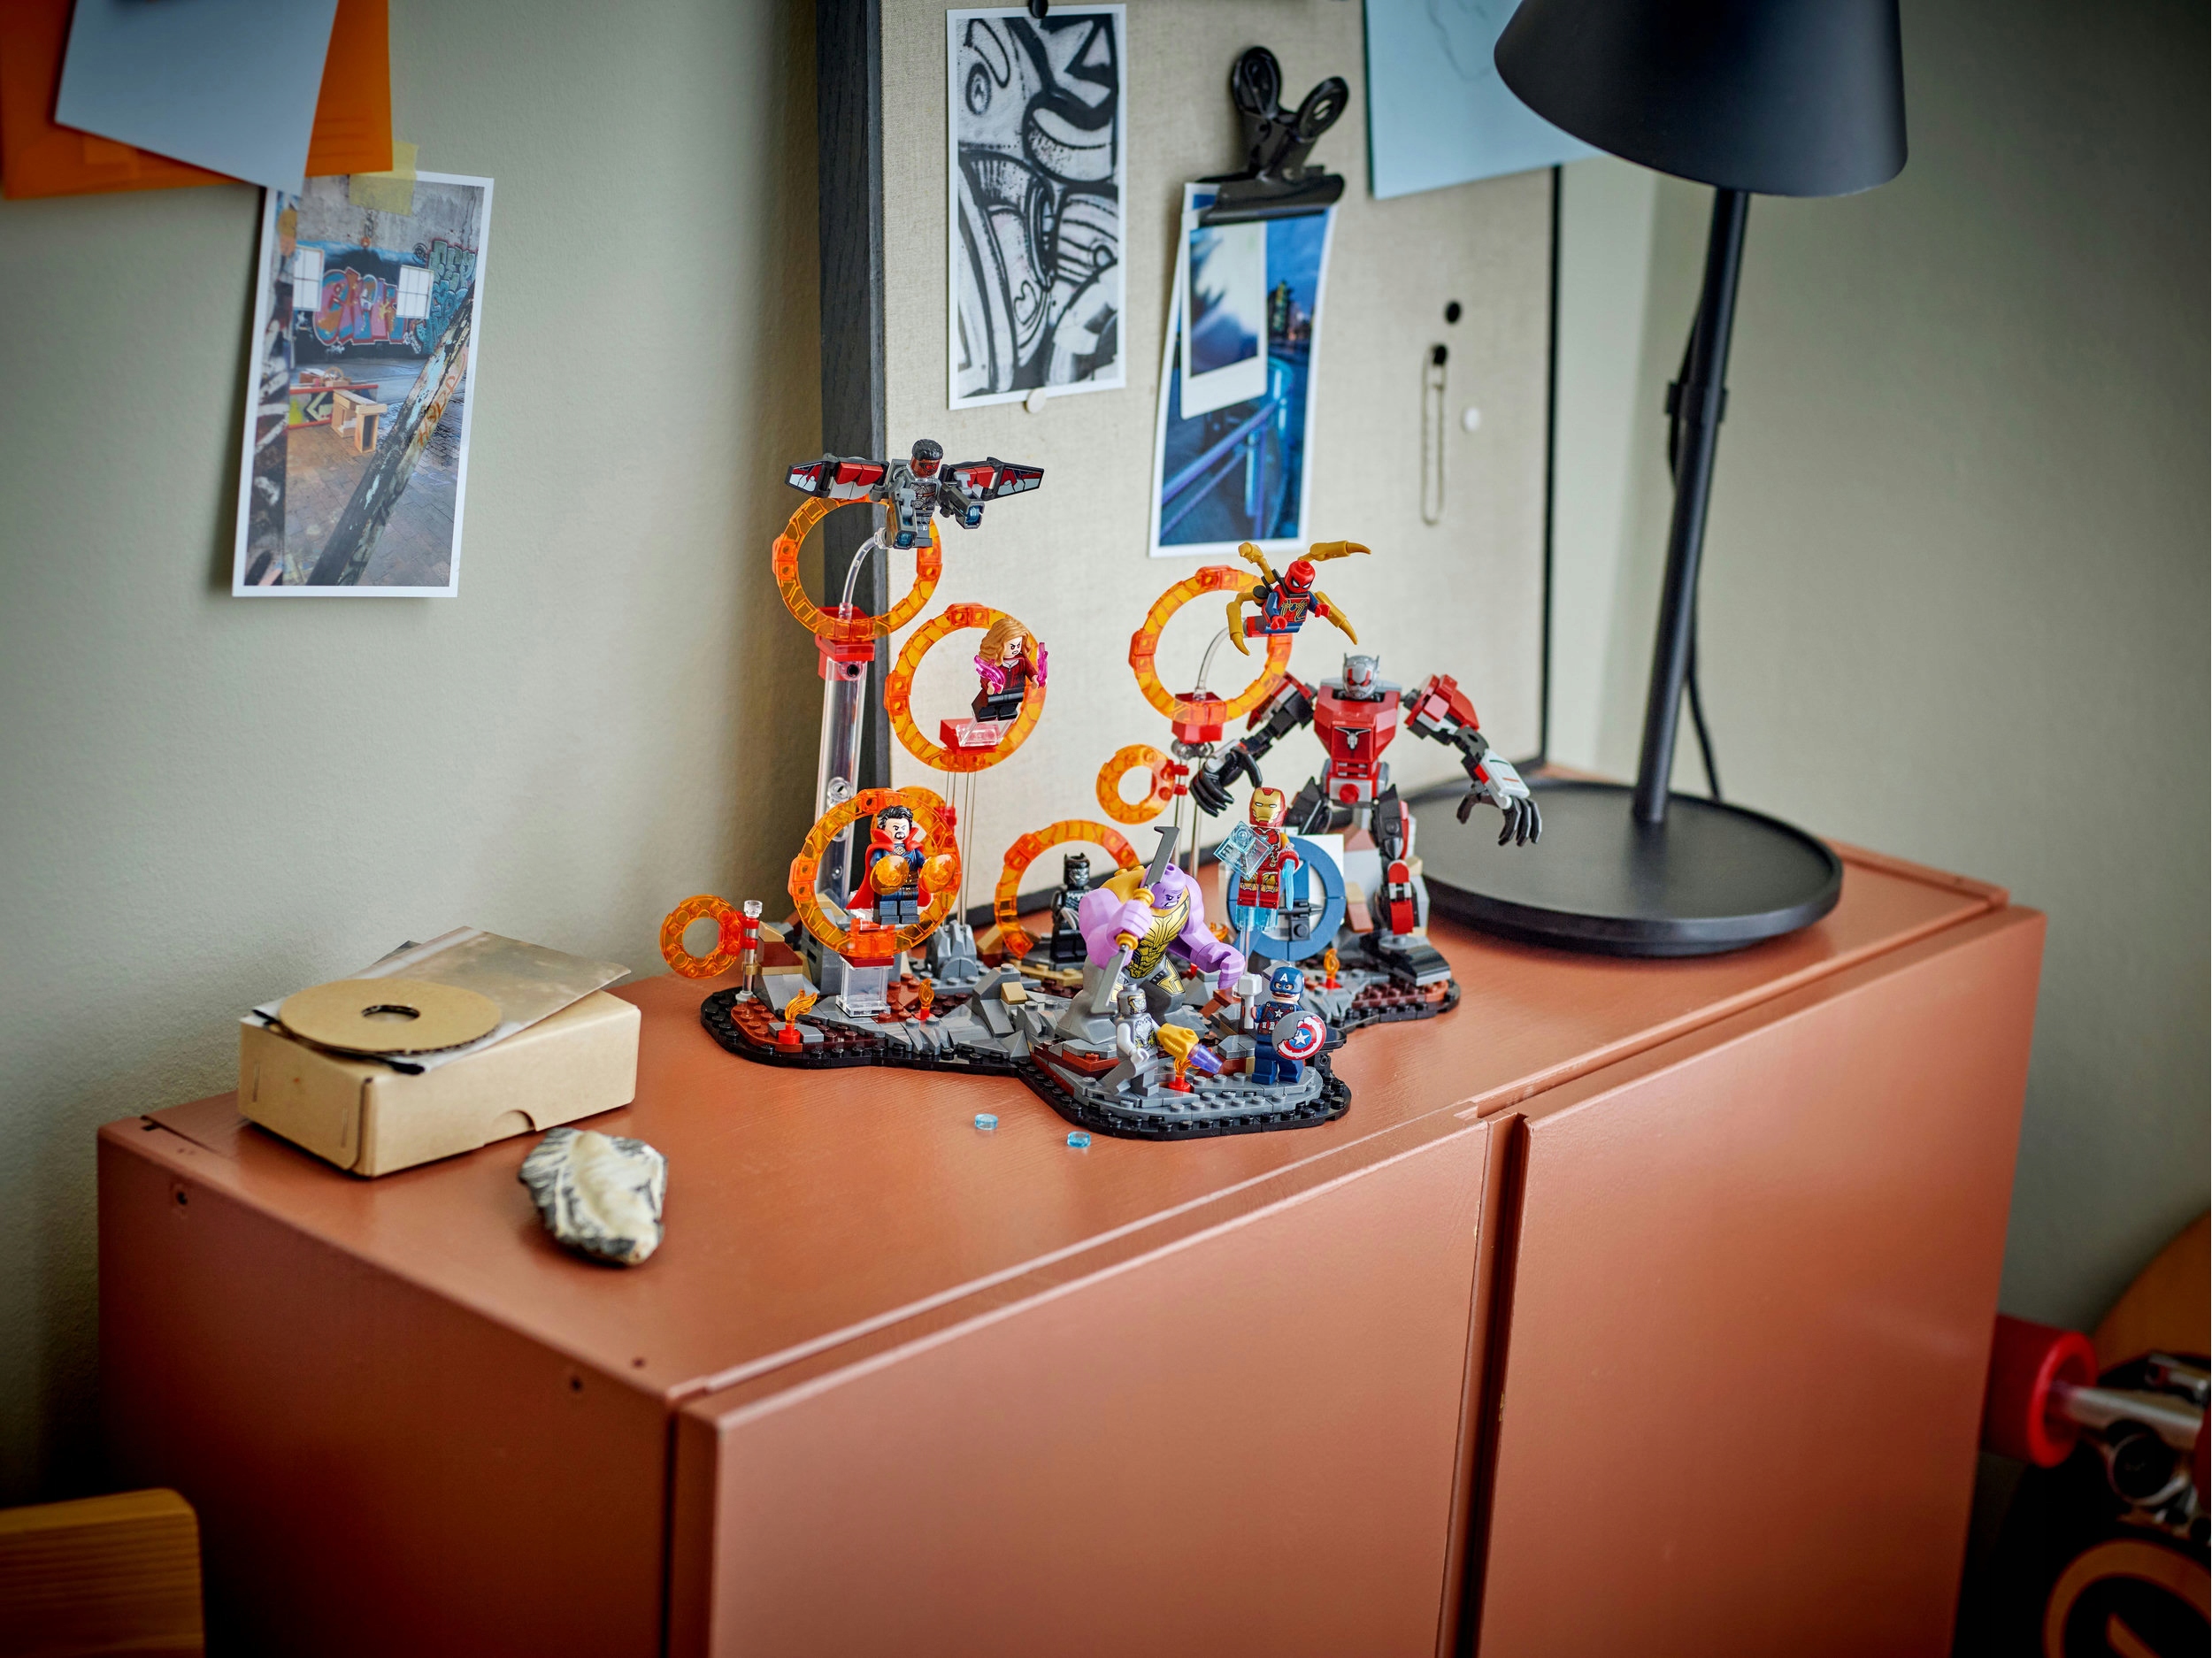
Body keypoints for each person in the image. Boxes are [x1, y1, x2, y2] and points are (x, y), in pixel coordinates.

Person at [972, 617, 1047, 724]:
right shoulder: (994, 662)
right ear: (999, 644)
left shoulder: (1022, 660)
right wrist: (989, 684)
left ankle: (1006, 715)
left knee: (1009, 711)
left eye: (1018, 645)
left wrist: (1035, 678)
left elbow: (1031, 671)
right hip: (996, 692)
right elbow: (986, 675)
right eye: (1012, 647)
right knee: (986, 710)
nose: (1016, 649)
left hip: (1016, 691)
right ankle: (985, 714)